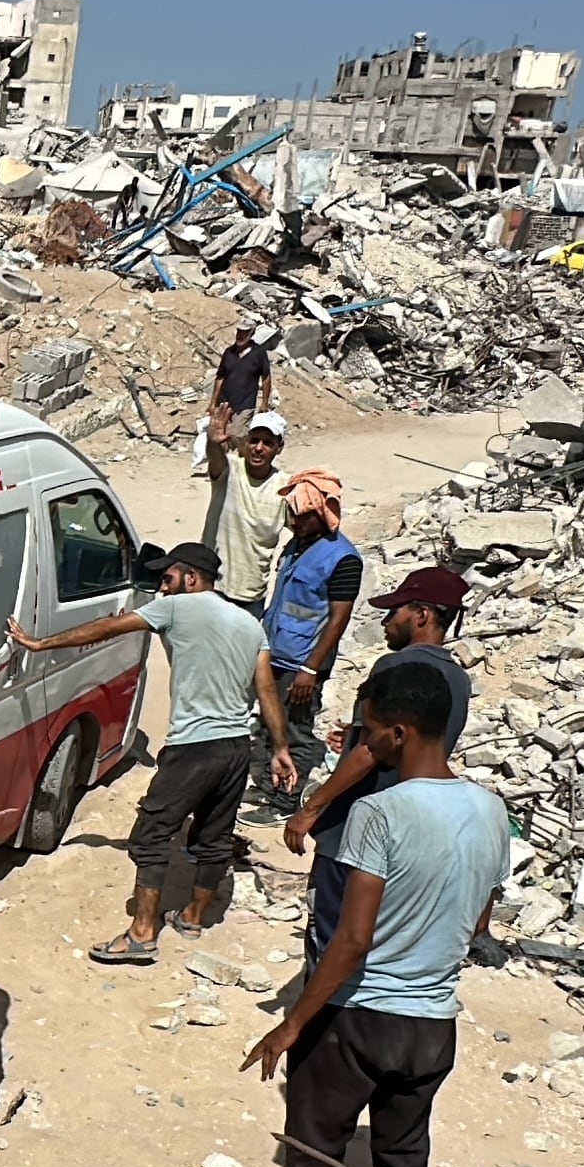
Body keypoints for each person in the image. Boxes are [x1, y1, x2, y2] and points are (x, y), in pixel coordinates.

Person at [240, 661, 510, 1167]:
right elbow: (480, 918)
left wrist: (293, 1020)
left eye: (371, 732)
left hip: (358, 1019)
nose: (366, 743)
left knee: (310, 1157)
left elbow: (352, 938)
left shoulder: (378, 813)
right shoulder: (489, 810)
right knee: (401, 1166)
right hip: (432, 1025)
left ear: (399, 731)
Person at [9, 541, 294, 958]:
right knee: (215, 836)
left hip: (193, 746)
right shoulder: (250, 624)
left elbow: (109, 627)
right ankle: (193, 918)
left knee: (151, 835)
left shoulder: (177, 607)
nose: (162, 588)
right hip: (235, 748)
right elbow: (266, 689)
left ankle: (142, 933)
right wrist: (280, 748)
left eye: (168, 578)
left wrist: (40, 644)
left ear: (191, 578)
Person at [286, 566, 476, 963]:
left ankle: (314, 1022)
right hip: (410, 830)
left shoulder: (393, 668)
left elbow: (371, 752)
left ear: (421, 615)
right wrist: (354, 737)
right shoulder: (458, 680)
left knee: (331, 940)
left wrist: (310, 809)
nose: (386, 622)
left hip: (356, 833)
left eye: (395, 612)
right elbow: (404, 743)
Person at [263, 471, 365, 802]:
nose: (294, 522)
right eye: (291, 515)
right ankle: (269, 786)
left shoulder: (344, 558)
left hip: (302, 662)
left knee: (295, 733)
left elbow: (339, 618)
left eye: (302, 516)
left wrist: (310, 669)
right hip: (276, 651)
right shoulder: (297, 545)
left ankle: (285, 800)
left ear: (321, 514)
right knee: (272, 725)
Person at [200, 410, 293, 612]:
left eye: (268, 443)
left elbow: (301, 527)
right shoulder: (229, 470)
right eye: (254, 440)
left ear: (279, 448)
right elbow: (216, 461)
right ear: (245, 441)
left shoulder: (285, 486)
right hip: (213, 587)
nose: (259, 448)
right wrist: (213, 443)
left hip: (251, 594)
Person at [205, 313, 277, 463]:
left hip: (245, 403)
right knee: (220, 436)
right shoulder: (229, 353)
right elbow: (220, 377)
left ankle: (246, 461)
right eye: (239, 332)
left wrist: (264, 402)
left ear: (251, 334)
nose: (240, 335)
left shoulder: (258, 354)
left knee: (239, 434)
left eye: (244, 333)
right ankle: (222, 466)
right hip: (224, 403)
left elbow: (266, 378)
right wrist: (213, 403)